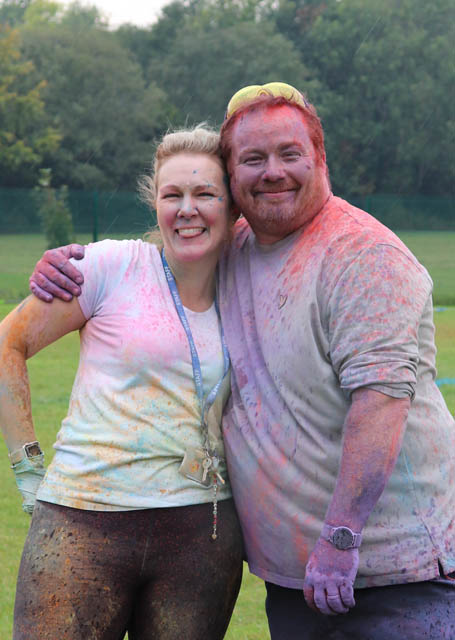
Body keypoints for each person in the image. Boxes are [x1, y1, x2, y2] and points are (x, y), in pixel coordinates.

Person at [30, 83, 455, 639]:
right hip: (297, 580)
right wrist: (64, 268)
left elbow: (380, 407)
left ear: (319, 159)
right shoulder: (239, 245)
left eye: (289, 154)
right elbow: (180, 231)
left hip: (392, 575)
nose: (272, 171)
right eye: (252, 159)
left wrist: (341, 538)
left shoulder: (363, 257)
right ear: (233, 179)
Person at [0, 125, 244, 640]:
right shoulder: (112, 266)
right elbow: (8, 344)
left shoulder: (250, 284)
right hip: (83, 522)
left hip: (202, 533)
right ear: (153, 202)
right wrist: (26, 464)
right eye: (172, 194)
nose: (187, 209)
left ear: (232, 204)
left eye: (205, 194)